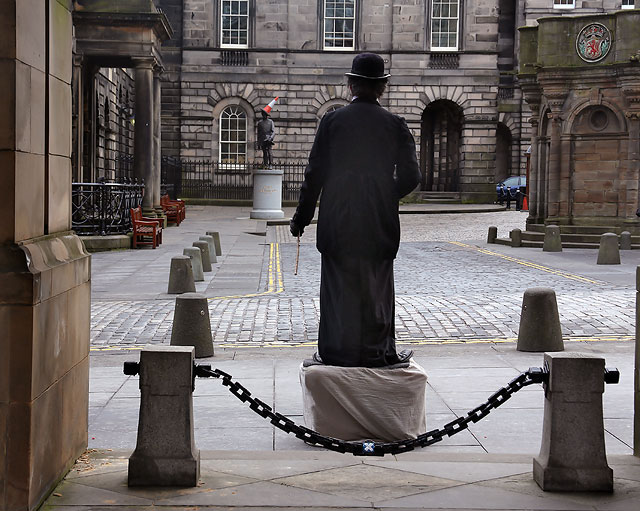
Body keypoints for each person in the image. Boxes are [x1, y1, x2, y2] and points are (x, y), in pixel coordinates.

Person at [290, 53, 420, 368]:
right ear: (382, 88)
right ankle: (379, 352)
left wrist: (300, 220)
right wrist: (386, 195)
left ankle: (336, 351)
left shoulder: (332, 121)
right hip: (378, 220)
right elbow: (412, 177)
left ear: (351, 84)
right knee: (377, 287)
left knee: (338, 289)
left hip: (338, 219)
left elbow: (314, 175)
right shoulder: (395, 124)